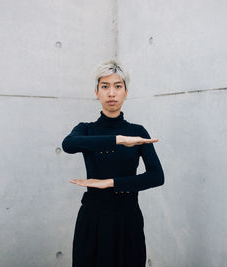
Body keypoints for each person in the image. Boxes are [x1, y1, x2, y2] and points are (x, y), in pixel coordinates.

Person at [61, 59, 165, 267]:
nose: (111, 93)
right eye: (105, 86)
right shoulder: (86, 129)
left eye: (118, 86)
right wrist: (118, 139)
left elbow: (156, 176)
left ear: (126, 92)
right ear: (97, 91)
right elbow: (68, 144)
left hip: (128, 219)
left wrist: (110, 183)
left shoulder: (138, 132)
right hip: (93, 218)